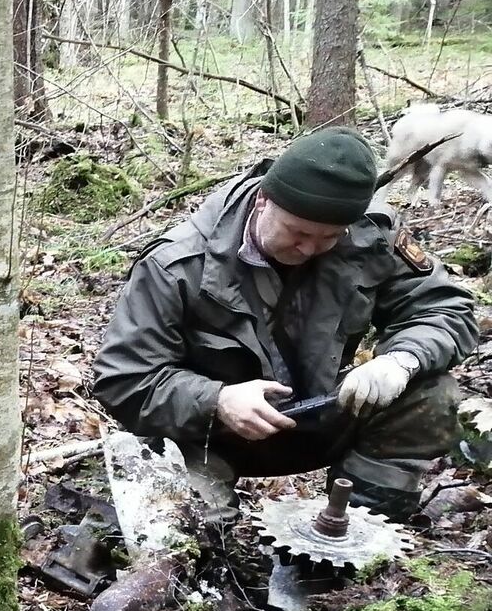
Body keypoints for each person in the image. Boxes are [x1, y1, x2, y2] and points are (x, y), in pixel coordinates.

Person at [91, 127, 479, 519]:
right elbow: (124, 378)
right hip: (211, 437)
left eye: (329, 237)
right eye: (297, 232)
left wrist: (400, 361)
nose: (309, 248)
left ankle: (357, 535)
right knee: (188, 525)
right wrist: (217, 400)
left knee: (430, 393)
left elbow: (444, 308)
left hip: (323, 412)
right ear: (263, 201)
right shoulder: (179, 264)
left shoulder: (370, 236)